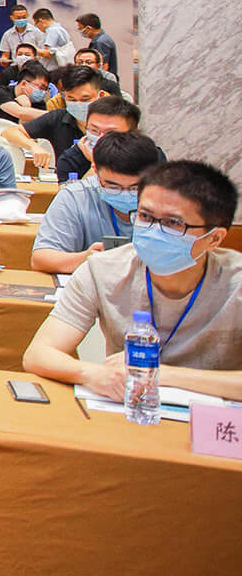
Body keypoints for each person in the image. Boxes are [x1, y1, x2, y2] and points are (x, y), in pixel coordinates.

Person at [24, 160, 241, 400]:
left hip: (214, 416)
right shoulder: (102, 269)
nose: (154, 230)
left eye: (173, 223)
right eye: (145, 216)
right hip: (128, 407)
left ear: (214, 238)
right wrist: (90, 373)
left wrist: (162, 375)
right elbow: (38, 354)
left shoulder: (236, 281)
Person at [29, 132, 163, 274]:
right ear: (95, 171)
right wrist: (86, 258)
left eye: (135, 188)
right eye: (113, 187)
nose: (125, 194)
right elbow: (41, 259)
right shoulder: (76, 196)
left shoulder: (169, 201)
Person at [2, 66, 106, 166]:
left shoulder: (111, 122)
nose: (78, 104)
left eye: (85, 99)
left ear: (100, 96)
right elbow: (10, 132)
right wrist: (33, 146)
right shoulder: (58, 118)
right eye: (72, 99)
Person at [55, 96, 142, 183]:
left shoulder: (145, 158)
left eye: (111, 133)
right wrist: (96, 165)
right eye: (94, 130)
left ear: (132, 134)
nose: (101, 138)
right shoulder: (71, 159)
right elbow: (72, 191)